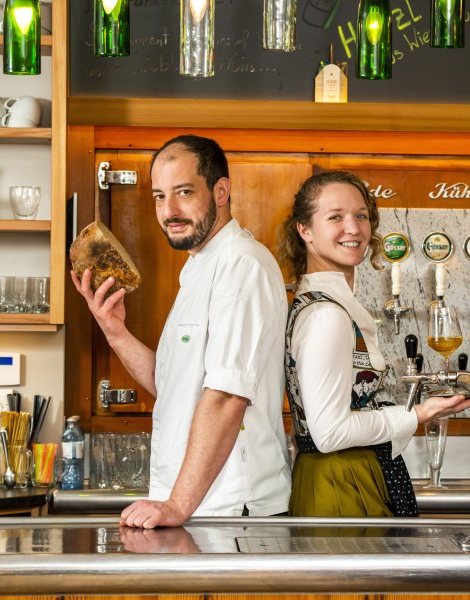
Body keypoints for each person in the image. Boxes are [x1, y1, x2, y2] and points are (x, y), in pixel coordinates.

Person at [71, 135, 291, 528]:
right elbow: (175, 386)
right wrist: (114, 330)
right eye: (159, 196)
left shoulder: (241, 264)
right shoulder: (198, 268)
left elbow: (226, 396)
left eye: (184, 192)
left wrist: (176, 505)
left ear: (221, 191)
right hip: (196, 507)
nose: (168, 210)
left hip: (231, 510)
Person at [278, 170, 470, 517]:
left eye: (361, 215)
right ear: (304, 229)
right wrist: (418, 414)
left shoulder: (325, 303)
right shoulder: (327, 315)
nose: (353, 228)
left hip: (348, 472)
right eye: (335, 217)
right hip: (341, 477)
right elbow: (330, 433)